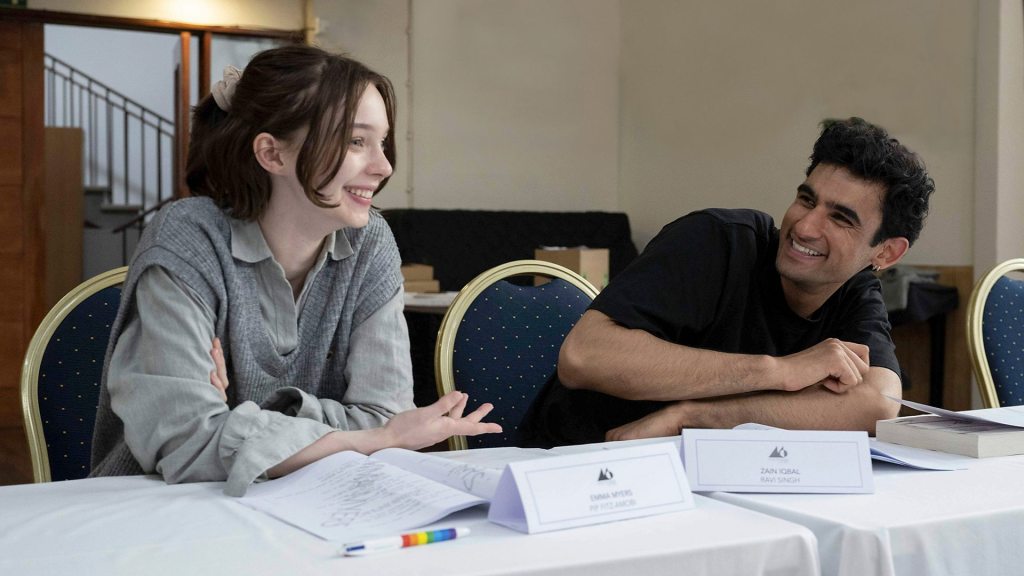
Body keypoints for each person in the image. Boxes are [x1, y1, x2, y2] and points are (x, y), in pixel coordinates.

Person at [90, 45, 500, 496]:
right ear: (272, 154)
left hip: (314, 501)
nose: (383, 167)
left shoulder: (369, 241)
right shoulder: (189, 237)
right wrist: (370, 438)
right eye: (356, 141)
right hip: (160, 505)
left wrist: (243, 421)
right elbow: (187, 444)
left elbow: (384, 416)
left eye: (382, 142)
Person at [521, 117, 934, 447]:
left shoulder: (854, 289)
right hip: (581, 465)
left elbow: (877, 402)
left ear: (885, 253)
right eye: (806, 199)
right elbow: (583, 357)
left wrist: (693, 418)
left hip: (703, 483)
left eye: (840, 218)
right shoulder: (717, 239)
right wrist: (777, 371)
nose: (805, 226)